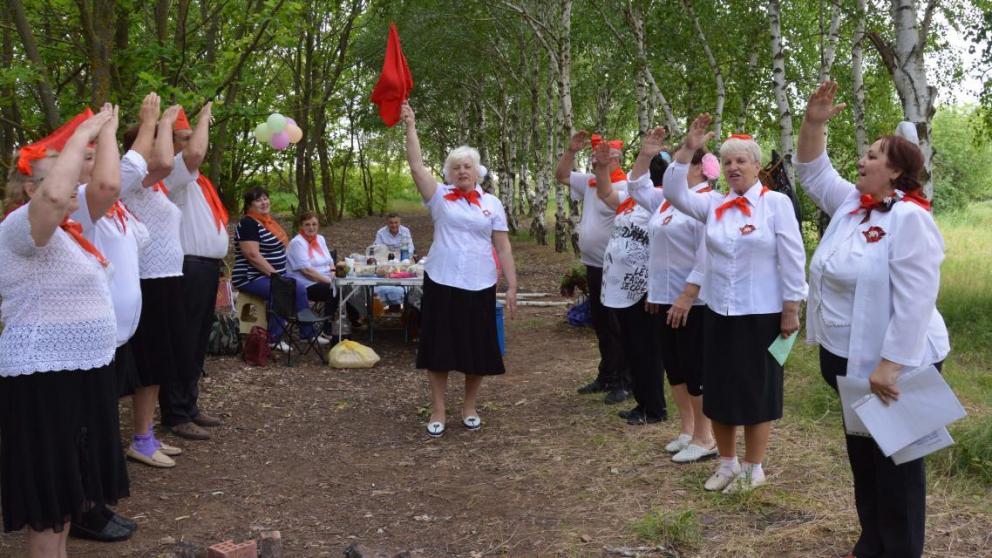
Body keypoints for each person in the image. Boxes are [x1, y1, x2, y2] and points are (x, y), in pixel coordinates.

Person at [795, 81, 950, 558]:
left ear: (897, 170)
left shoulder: (910, 218)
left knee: (898, 467)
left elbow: (917, 298)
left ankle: (900, 550)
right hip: (849, 361)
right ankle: (872, 544)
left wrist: (891, 363)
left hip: (893, 366)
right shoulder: (850, 207)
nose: (862, 161)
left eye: (874, 156)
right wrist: (814, 123)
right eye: (863, 154)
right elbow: (811, 171)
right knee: (864, 459)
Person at [0, 106, 128, 557]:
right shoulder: (20, 228)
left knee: (69, 497)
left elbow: (108, 184)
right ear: (32, 188)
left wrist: (107, 132)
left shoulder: (71, 231)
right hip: (43, 378)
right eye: (66, 172)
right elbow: (55, 198)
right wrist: (82, 133)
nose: (76, 181)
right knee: (49, 499)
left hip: (81, 374)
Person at [662, 115, 807, 493]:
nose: (733, 167)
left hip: (761, 313)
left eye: (741, 160)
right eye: (727, 162)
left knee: (756, 391)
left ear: (757, 166)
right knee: (720, 390)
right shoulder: (713, 204)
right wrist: (688, 148)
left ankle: (753, 468)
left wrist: (792, 306)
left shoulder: (774, 204)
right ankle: (726, 464)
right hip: (719, 312)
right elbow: (673, 192)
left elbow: (793, 257)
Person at [400, 100, 518, 438]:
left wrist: (511, 285)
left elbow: (503, 246)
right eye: (456, 167)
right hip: (442, 279)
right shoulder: (439, 196)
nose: (462, 171)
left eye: (468, 166)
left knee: (476, 347)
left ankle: (469, 405)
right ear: (450, 174)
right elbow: (417, 166)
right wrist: (410, 125)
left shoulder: (492, 204)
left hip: (480, 282)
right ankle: (438, 408)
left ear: (478, 172)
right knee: (439, 347)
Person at [626, 141, 721, 462]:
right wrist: (645, 155)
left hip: (696, 301)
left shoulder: (710, 202)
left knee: (696, 368)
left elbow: (707, 253)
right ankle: (688, 429)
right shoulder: (667, 202)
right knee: (675, 367)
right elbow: (637, 188)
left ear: (699, 167)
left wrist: (687, 294)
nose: (670, 170)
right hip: (665, 298)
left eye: (679, 163)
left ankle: (706, 436)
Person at [157, 103, 228, 441]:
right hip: (186, 267)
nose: (190, 142)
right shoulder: (170, 171)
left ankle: (190, 404)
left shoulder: (196, 181)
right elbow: (197, 153)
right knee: (181, 340)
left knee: (197, 340)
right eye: (182, 138)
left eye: (190, 137)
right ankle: (175, 412)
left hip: (205, 268)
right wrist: (202, 119)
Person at [588, 139, 666, 426]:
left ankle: (655, 408)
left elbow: (662, 248)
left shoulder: (661, 202)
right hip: (620, 288)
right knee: (632, 347)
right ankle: (642, 403)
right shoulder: (629, 201)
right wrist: (602, 166)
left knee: (646, 348)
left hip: (643, 288)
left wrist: (655, 287)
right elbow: (605, 191)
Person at [555, 132, 631, 404]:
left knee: (618, 325)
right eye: (594, 157)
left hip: (617, 268)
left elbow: (607, 193)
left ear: (616, 160)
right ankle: (607, 374)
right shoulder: (589, 182)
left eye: (603, 158)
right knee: (601, 323)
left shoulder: (626, 186)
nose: (596, 161)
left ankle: (625, 380)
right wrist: (571, 150)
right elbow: (562, 175)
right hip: (594, 265)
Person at [233, 187, 321, 345]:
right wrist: (276, 276)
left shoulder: (268, 223)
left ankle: (307, 334)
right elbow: (252, 254)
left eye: (265, 198)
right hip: (251, 277)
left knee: (300, 288)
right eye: (258, 200)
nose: (264, 202)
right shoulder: (248, 223)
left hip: (270, 275)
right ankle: (274, 338)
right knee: (282, 289)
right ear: (249, 205)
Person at [286, 210, 339, 321]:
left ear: (318, 225)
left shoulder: (320, 239)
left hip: (326, 278)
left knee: (350, 285)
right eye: (307, 224)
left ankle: (357, 319)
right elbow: (307, 272)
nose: (311, 228)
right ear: (301, 226)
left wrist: (333, 273)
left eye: (314, 224)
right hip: (307, 284)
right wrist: (330, 281)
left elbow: (330, 261)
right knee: (335, 289)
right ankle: (326, 327)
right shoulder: (297, 243)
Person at [373, 214, 411, 309]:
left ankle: (405, 305)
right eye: (391, 223)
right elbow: (378, 251)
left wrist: (391, 253)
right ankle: (386, 302)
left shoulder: (405, 231)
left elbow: (410, 249)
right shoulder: (381, 233)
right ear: (387, 223)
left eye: (396, 222)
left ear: (400, 222)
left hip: (402, 263)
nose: (394, 225)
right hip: (385, 264)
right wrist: (395, 254)